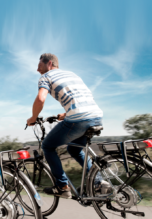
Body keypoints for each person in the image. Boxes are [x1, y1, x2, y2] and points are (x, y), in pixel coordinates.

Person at [27, 53, 109, 199]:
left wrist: (32, 118)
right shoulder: (72, 75)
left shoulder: (46, 77)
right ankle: (98, 182)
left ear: (49, 64)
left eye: (40, 65)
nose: (37, 69)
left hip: (78, 119)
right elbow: (85, 97)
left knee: (48, 146)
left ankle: (62, 186)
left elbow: (40, 99)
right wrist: (65, 114)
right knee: (75, 149)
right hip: (96, 115)